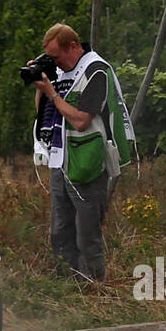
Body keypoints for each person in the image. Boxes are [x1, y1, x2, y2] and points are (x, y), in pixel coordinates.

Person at [29, 23, 134, 281]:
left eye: (57, 57)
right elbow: (43, 113)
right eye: (50, 58)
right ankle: (67, 284)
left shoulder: (96, 71)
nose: (55, 62)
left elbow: (81, 120)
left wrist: (52, 93)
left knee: (87, 232)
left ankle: (94, 286)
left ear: (73, 46)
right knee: (60, 231)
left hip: (88, 162)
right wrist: (41, 84)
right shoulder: (61, 71)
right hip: (61, 160)